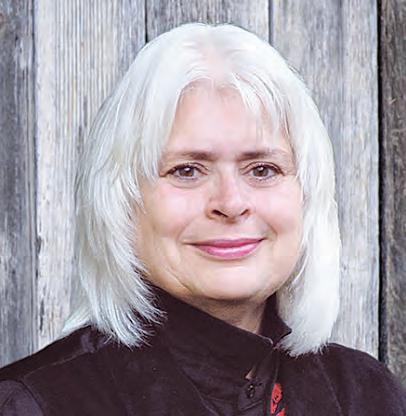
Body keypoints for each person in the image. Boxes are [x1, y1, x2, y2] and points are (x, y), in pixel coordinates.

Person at [0, 22, 405, 416]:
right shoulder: (36, 404)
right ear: (120, 201)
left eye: (262, 169)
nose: (231, 203)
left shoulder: (365, 394)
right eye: (187, 170)